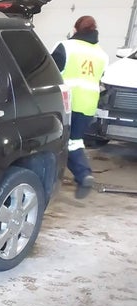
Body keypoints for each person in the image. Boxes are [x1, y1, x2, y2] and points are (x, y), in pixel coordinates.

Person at [51, 15, 109, 199]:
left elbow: (49, 70)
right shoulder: (102, 54)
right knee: (75, 141)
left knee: (55, 141)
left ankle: (76, 175)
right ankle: (84, 174)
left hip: (65, 102)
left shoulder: (66, 47)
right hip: (88, 104)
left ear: (75, 29)